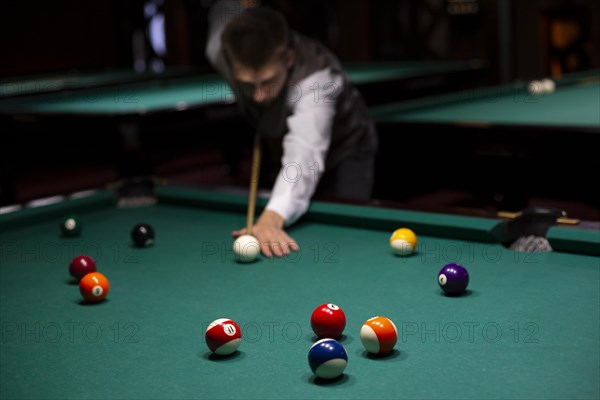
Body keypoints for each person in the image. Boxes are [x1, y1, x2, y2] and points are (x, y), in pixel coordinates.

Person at [205, 0, 378, 258]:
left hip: (347, 148)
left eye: (268, 82)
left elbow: (304, 152)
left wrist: (273, 217)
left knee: (345, 242)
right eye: (248, 86)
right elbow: (223, 7)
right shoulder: (217, 48)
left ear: (288, 58)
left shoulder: (317, 80)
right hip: (278, 136)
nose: (259, 96)